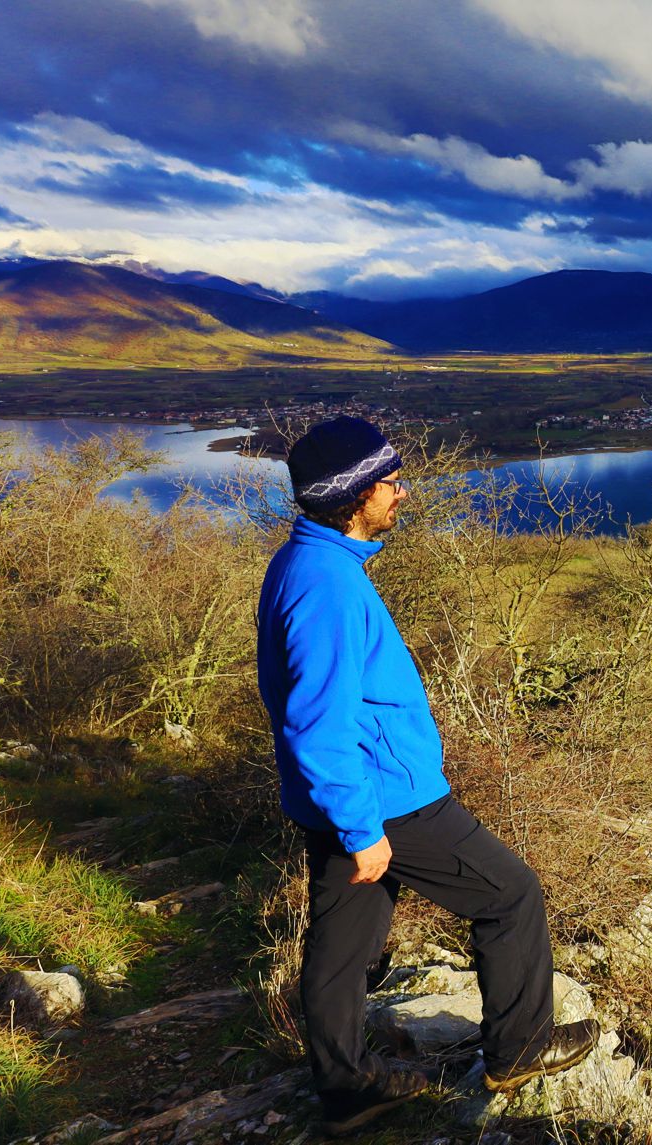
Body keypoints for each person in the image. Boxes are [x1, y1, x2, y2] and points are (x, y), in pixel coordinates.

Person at [256, 416, 598, 1134]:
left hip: (353, 796)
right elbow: (316, 722)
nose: (402, 493)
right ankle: (520, 1048)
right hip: (388, 800)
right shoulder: (328, 589)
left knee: (344, 945)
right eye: (389, 483)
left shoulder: (310, 563)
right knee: (510, 895)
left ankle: (348, 1090)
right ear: (354, 497)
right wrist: (361, 827)